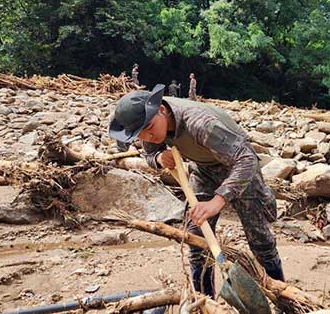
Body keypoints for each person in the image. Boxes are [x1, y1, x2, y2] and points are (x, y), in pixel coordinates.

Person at [108, 84, 284, 298]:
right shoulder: (149, 130)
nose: (148, 136)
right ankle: (204, 301)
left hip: (239, 167)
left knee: (260, 239)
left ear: (161, 110)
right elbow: (150, 155)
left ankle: (281, 295)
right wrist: (158, 159)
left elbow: (246, 159)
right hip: (203, 170)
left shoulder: (200, 123)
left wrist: (218, 200)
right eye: (140, 133)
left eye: (150, 127)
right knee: (196, 236)